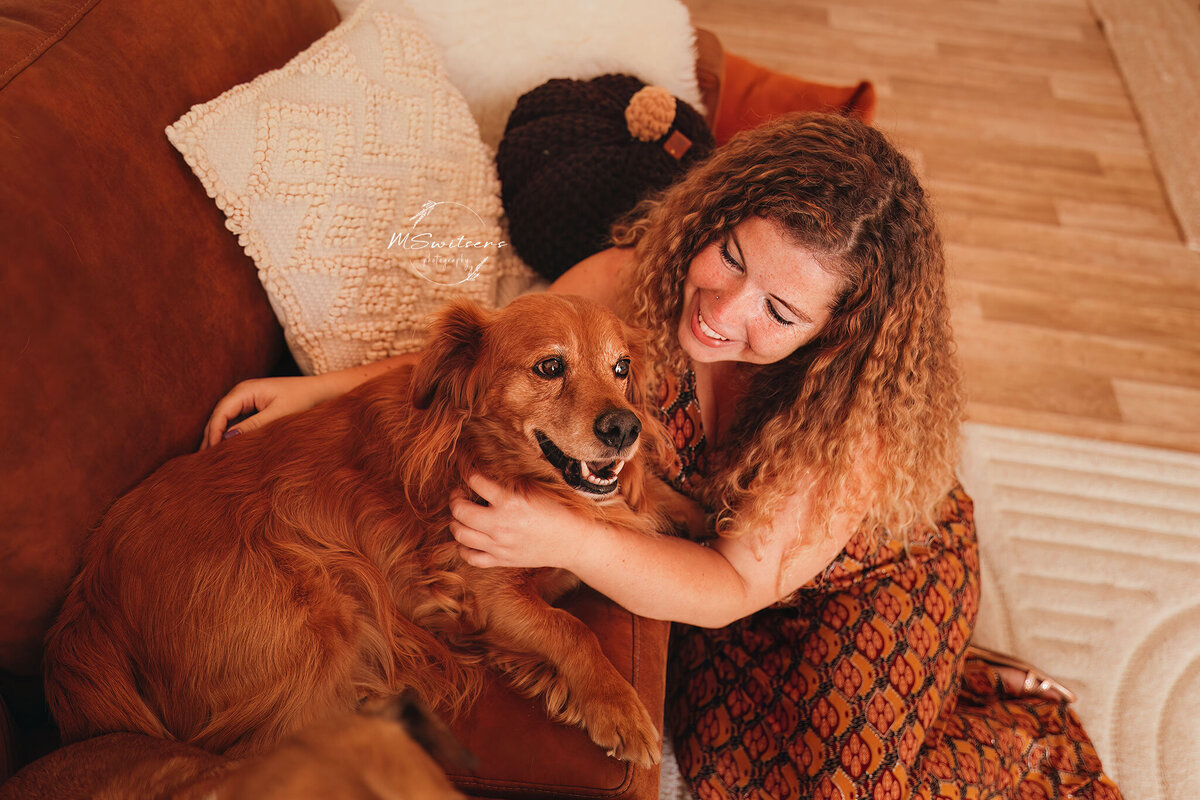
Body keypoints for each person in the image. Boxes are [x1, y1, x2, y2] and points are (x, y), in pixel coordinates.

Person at [204, 113, 1121, 799]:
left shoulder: (854, 428)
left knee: (837, 789)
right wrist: (320, 388)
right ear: (716, 216)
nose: (725, 311)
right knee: (727, 770)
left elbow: (729, 587)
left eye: (782, 313)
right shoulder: (628, 285)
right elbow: (501, 354)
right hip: (694, 555)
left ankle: (1017, 727)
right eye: (731, 256)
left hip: (848, 581)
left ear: (836, 336)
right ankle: (947, 686)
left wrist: (560, 538)